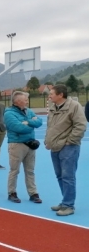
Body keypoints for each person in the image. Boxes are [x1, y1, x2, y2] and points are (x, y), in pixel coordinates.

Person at [44, 84, 87, 216]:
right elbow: (50, 126)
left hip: (69, 147)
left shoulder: (74, 106)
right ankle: (65, 201)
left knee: (68, 176)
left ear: (60, 95)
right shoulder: (52, 107)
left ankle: (69, 205)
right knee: (60, 175)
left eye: (51, 93)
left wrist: (70, 142)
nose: (49, 96)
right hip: (54, 146)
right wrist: (48, 140)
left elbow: (80, 125)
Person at [4, 91, 43, 204]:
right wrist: (31, 124)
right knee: (14, 170)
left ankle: (33, 193)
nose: (27, 101)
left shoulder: (28, 111)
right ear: (18, 101)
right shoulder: (9, 113)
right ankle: (12, 193)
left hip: (30, 144)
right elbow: (19, 128)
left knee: (30, 171)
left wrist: (27, 122)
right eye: (25, 99)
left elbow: (39, 122)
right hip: (17, 145)